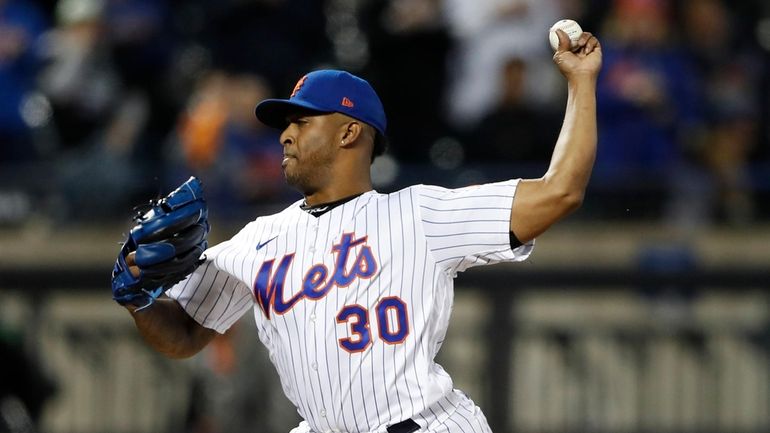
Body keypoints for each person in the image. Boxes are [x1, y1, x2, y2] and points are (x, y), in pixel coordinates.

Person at [120, 29, 601, 433]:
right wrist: (140, 297)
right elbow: (182, 334)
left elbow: (560, 191)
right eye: (286, 123)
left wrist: (581, 83)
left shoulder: (419, 214)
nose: (286, 134)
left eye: (302, 121)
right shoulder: (256, 241)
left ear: (350, 132)